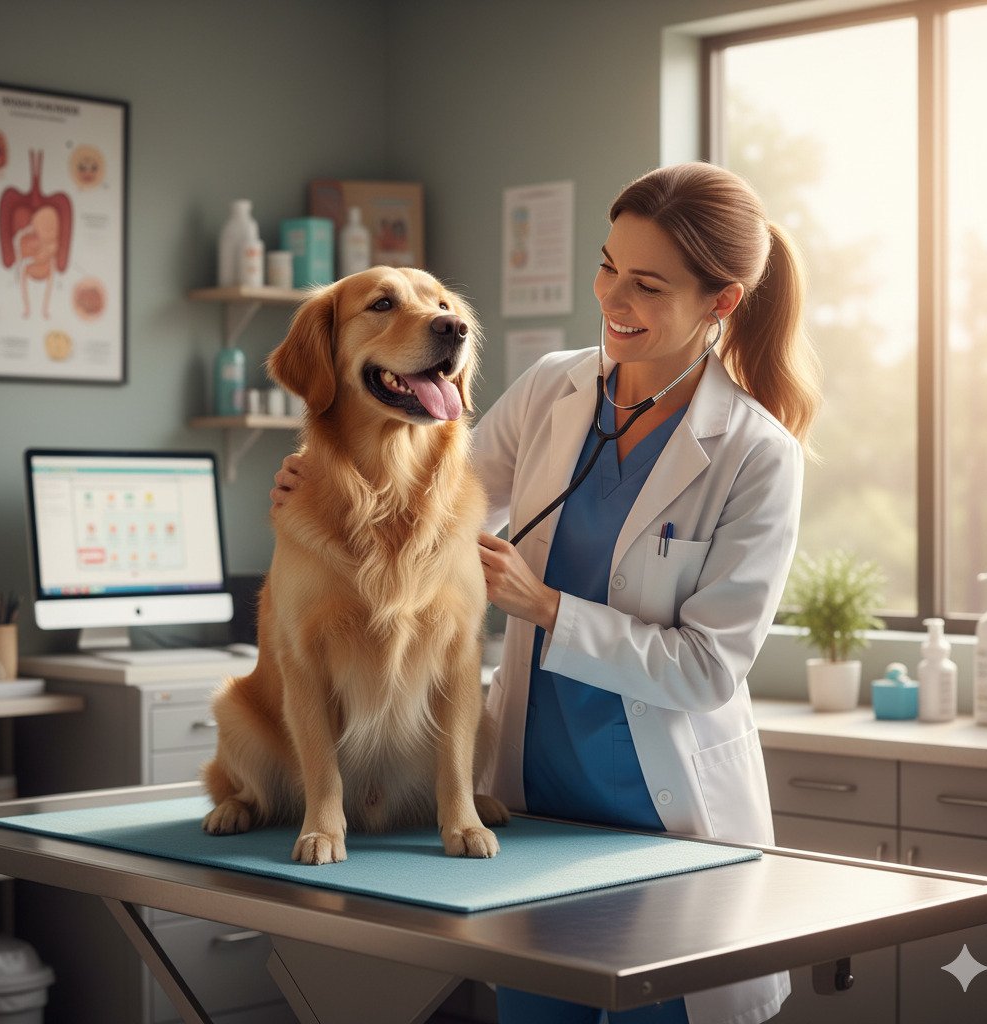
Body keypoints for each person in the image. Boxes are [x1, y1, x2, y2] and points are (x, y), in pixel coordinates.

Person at [270, 162, 821, 1024]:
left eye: (647, 285)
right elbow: (436, 503)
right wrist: (325, 494)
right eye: (608, 267)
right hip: (533, 814)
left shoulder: (756, 454)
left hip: (666, 825)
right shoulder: (552, 389)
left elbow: (710, 668)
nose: (615, 298)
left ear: (721, 303)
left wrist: (548, 608)